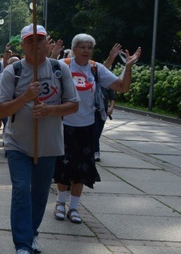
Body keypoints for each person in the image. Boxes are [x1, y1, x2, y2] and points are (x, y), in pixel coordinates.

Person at [0, 25, 79, 254]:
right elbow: (0, 110)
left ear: (47, 43)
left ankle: (31, 235)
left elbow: (73, 105)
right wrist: (24, 99)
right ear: (22, 45)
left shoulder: (59, 69)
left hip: (49, 144)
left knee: (40, 195)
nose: (35, 44)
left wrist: (50, 110)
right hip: (17, 143)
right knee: (21, 189)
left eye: (40, 40)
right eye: (29, 40)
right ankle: (22, 246)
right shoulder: (14, 72)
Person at [55, 34, 141, 224]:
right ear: (74, 49)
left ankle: (74, 208)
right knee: (64, 166)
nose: (86, 51)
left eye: (89, 48)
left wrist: (128, 67)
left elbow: (122, 87)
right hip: (64, 125)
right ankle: (60, 203)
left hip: (86, 126)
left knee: (82, 168)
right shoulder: (64, 65)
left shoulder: (96, 69)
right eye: (82, 47)